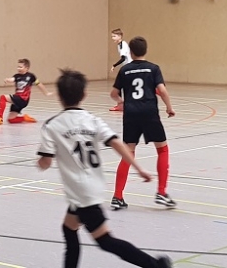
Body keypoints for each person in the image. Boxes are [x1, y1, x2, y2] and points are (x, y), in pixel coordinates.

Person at [37, 69, 172, 268]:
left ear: (59, 96)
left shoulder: (52, 125)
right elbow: (117, 143)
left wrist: (41, 160)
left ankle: (155, 265)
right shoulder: (92, 120)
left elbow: (45, 163)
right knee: (69, 228)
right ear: (84, 95)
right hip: (91, 188)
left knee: (106, 241)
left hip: (81, 194)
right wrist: (138, 168)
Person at [110, 36, 176, 210]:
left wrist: (121, 103)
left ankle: (117, 196)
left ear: (131, 52)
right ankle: (161, 192)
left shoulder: (124, 70)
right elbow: (162, 90)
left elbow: (113, 94)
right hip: (149, 113)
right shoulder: (153, 68)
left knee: (128, 153)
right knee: (162, 149)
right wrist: (169, 108)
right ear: (146, 50)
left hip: (131, 115)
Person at [0, 58, 52, 125]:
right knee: (11, 120)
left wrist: (46, 93)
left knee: (3, 97)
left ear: (27, 68)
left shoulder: (31, 76)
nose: (18, 68)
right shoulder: (17, 76)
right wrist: (8, 80)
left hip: (23, 99)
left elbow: (39, 84)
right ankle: (24, 118)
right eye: (18, 67)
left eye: (20, 67)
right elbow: (12, 79)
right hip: (17, 99)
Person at [108, 28, 131, 112]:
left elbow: (123, 58)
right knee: (121, 86)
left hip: (129, 67)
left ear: (120, 36)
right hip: (127, 67)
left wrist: (114, 65)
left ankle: (122, 105)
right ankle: (121, 105)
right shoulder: (119, 45)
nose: (112, 38)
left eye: (114, 36)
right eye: (112, 36)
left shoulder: (123, 45)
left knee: (120, 85)